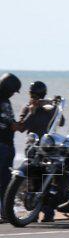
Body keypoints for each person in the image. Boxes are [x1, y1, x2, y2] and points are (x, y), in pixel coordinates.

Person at [17, 81, 64, 222]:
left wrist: (57, 106)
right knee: (33, 180)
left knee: (47, 180)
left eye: (36, 95)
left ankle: (48, 213)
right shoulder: (28, 108)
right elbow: (22, 127)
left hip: (48, 149)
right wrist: (31, 112)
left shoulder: (50, 109)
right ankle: (33, 213)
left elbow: (61, 122)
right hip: (33, 148)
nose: (34, 97)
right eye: (32, 95)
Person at [0, 73, 22, 223]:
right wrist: (24, 122)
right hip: (4, 145)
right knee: (5, 182)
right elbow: (13, 126)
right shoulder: (4, 102)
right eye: (13, 91)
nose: (13, 94)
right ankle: (5, 213)